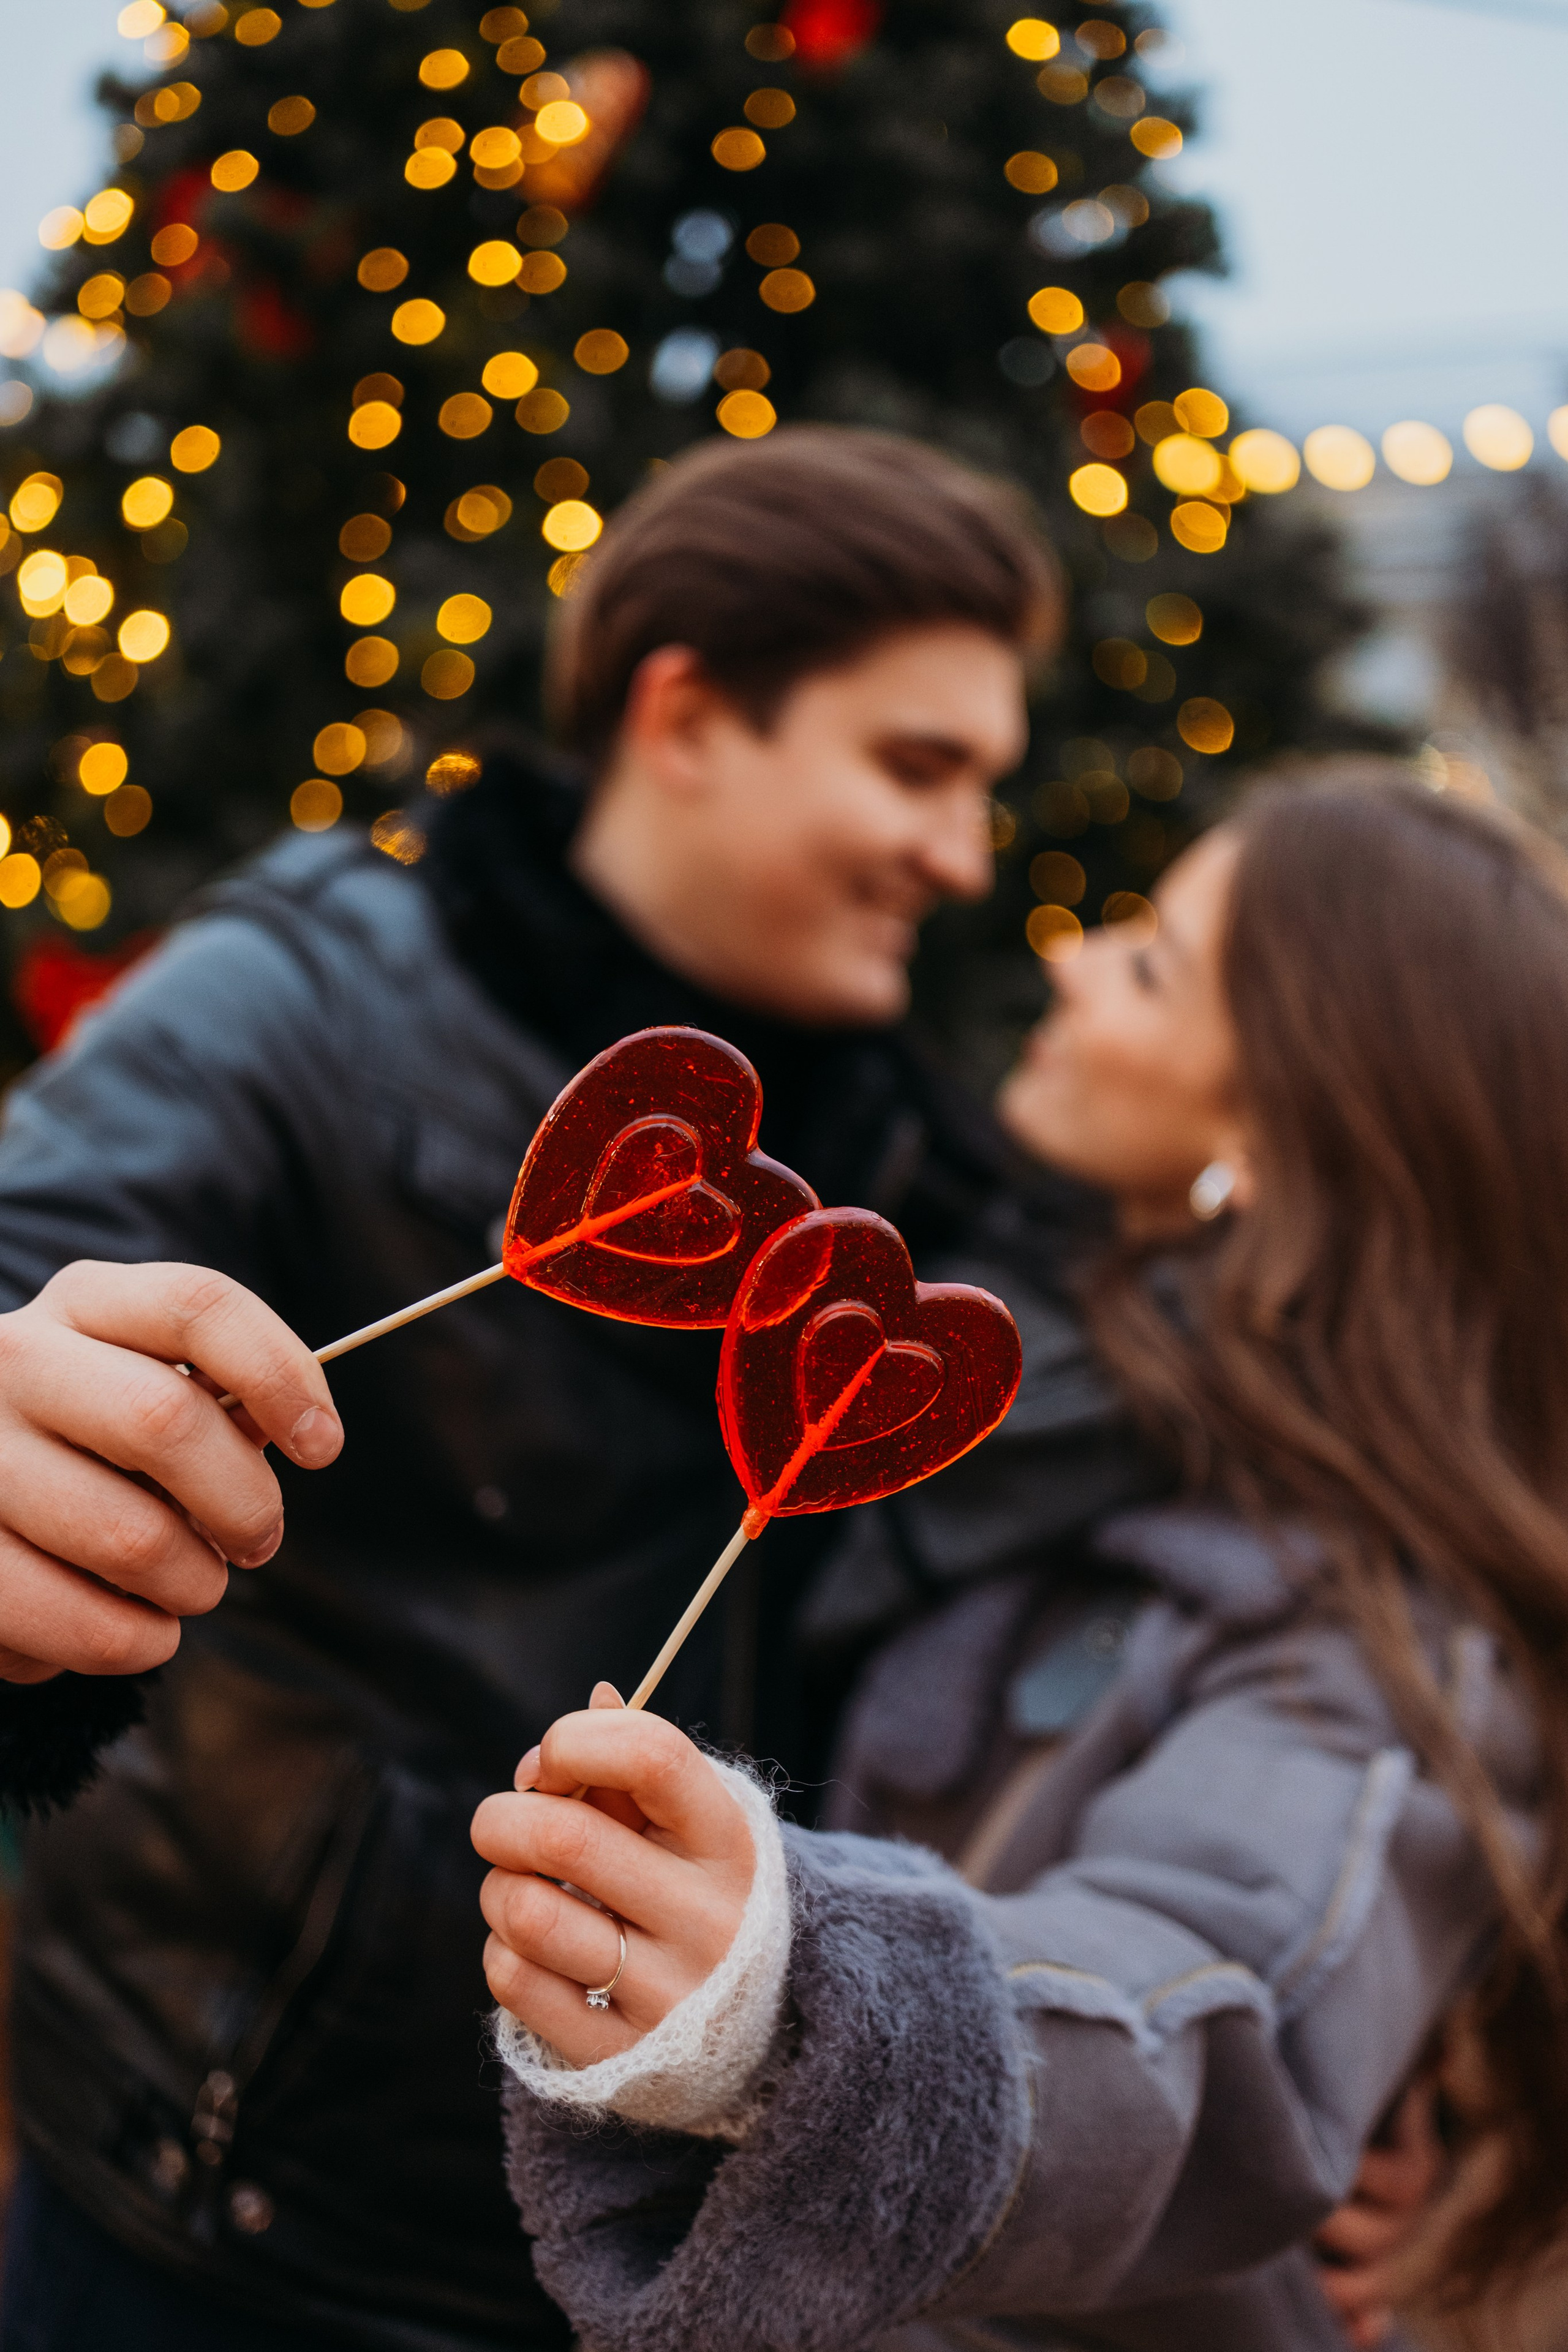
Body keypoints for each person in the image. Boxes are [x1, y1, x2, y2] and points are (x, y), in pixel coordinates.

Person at [0, 428, 1157, 2351]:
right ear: (688, 714)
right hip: (239, 2220)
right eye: (915, 767)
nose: (966, 857)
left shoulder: (923, 1154)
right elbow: (36, 1256)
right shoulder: (299, 1000)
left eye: (984, 787)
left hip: (701, 2248)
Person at [477, 771, 1568, 2351]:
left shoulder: (1380, 1621)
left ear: (1273, 1129)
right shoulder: (1081, 1399)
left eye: (1150, 964)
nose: (1064, 955)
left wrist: (797, 1996)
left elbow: (1216, 1984)